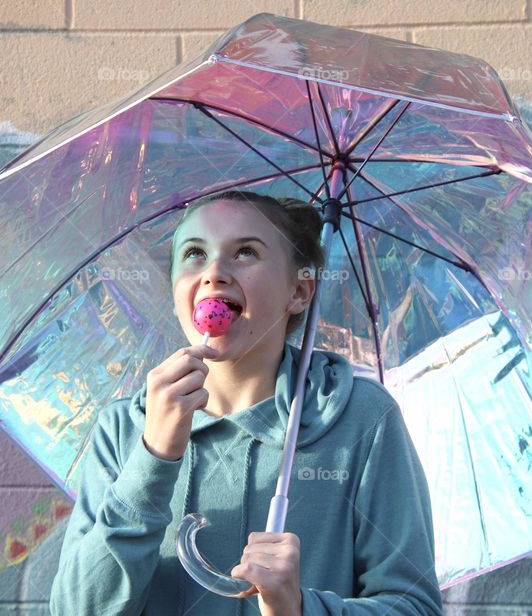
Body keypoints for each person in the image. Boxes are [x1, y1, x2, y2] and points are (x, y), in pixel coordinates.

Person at [48, 190, 443, 616]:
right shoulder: (124, 430)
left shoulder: (363, 419)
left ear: (300, 291)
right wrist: (154, 457)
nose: (215, 271)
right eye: (195, 253)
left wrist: (299, 608)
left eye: (246, 253)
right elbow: (78, 609)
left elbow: (415, 606)